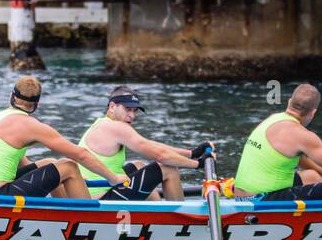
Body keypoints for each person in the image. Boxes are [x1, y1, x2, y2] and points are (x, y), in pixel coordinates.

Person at [0, 76, 131, 198]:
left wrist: (65, 179)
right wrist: (113, 178)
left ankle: (65, 206)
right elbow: (80, 154)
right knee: (70, 166)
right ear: (37, 104)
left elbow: (15, 163)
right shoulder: (31, 125)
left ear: (12, 97)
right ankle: (88, 220)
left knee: (49, 163)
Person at [52, 86, 211, 201]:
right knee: (168, 169)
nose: (132, 116)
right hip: (100, 200)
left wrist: (192, 153)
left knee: (138, 165)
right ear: (112, 106)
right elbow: (160, 155)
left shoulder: (103, 123)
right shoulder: (115, 127)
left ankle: (156, 212)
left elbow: (150, 144)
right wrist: (197, 164)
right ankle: (182, 221)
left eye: (134, 111)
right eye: (128, 109)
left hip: (104, 189)